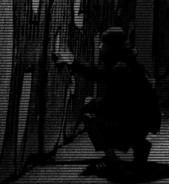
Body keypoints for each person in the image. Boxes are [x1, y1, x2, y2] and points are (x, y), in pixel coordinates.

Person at [53, 27, 160, 173]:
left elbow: (98, 77)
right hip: (145, 120)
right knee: (106, 110)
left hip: (134, 120)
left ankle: (113, 157)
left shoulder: (119, 68)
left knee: (89, 112)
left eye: (103, 44)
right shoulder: (129, 63)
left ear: (112, 47)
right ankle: (139, 144)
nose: (99, 47)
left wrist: (72, 62)